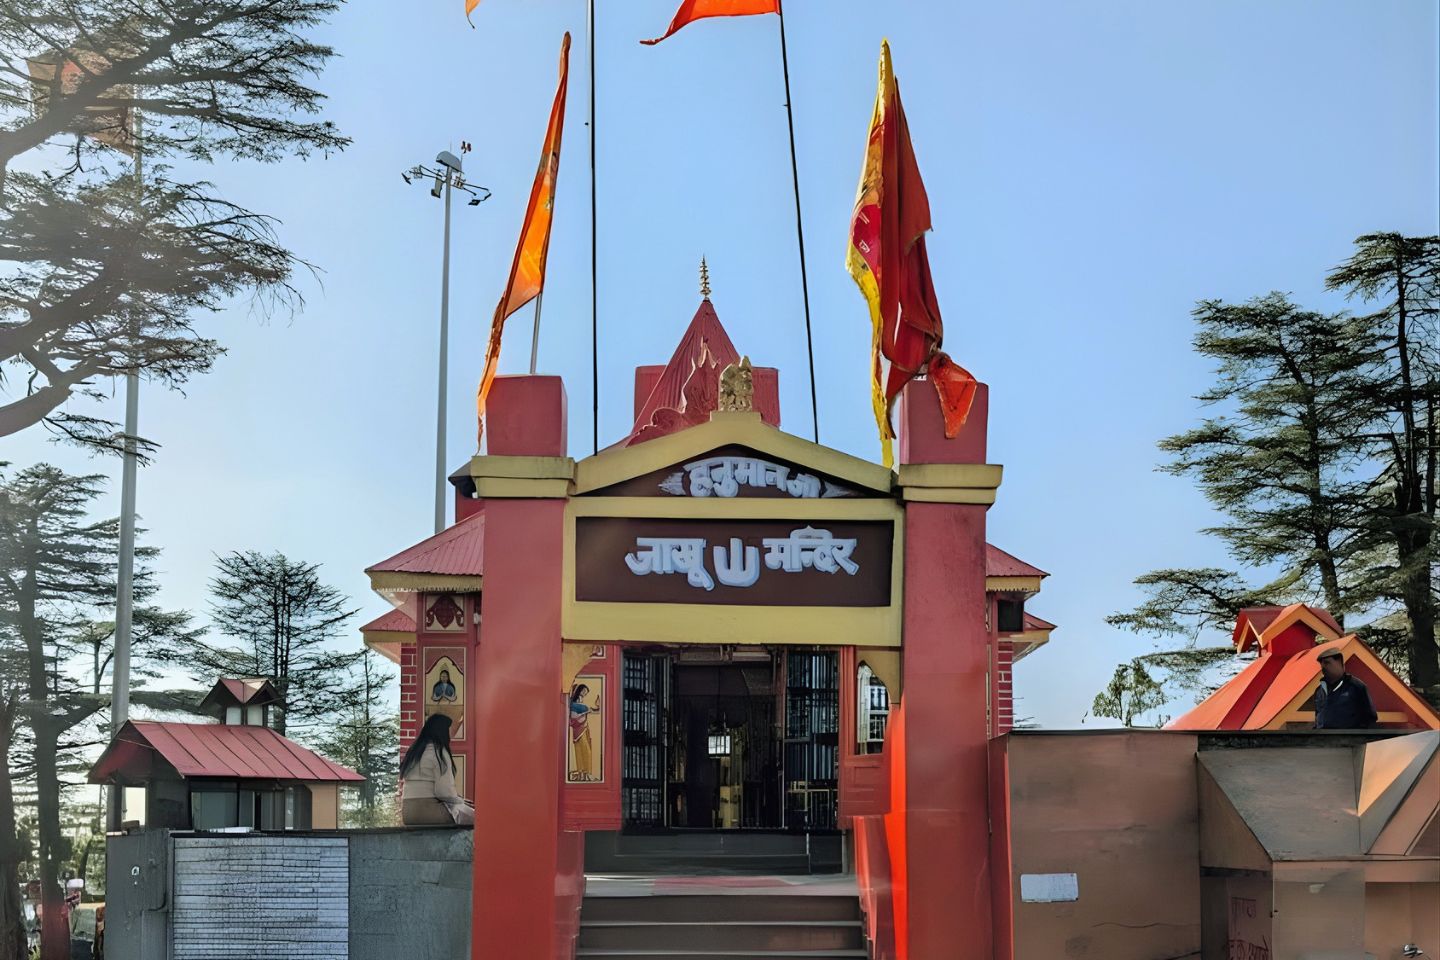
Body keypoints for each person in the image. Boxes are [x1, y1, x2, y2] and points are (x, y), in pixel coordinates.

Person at [401, 714, 474, 825]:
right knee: (476, 818)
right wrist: (461, 801)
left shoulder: (415, 751)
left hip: (408, 813)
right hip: (428, 811)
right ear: (442, 730)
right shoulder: (439, 751)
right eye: (450, 729)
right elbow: (445, 793)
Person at [1313, 648, 1377, 729]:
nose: (1323, 667)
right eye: (1321, 665)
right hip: (1323, 740)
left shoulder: (1357, 686)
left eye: (1327, 663)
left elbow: (1370, 718)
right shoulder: (1319, 691)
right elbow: (1317, 718)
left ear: (1340, 664)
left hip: (1350, 739)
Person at [568, 683, 599, 781]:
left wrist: (595, 707)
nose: (585, 693)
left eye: (586, 692)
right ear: (579, 690)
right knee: (583, 750)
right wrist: (585, 711)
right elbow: (573, 716)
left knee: (585, 749)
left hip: (584, 728)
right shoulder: (574, 704)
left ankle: (585, 773)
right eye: (584, 691)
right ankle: (583, 772)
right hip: (578, 729)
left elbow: (594, 711)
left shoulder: (579, 703)